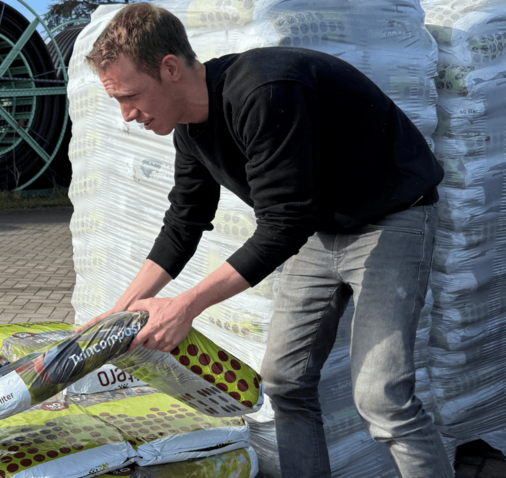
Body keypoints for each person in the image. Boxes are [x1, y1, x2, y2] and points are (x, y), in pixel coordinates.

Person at [78, 3, 452, 477]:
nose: (127, 115)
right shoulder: (190, 130)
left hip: (393, 217)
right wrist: (115, 317)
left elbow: (283, 224)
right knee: (285, 381)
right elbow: (185, 222)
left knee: (382, 398)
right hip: (322, 226)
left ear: (169, 68)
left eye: (129, 96)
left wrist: (186, 306)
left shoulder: (263, 89)